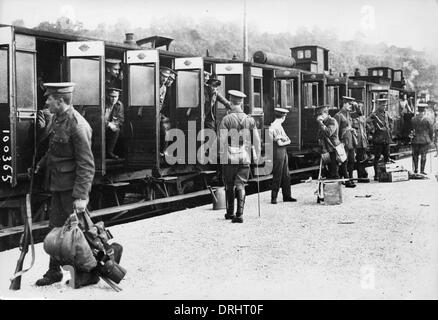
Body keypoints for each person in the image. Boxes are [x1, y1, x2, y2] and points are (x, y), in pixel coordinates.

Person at [34, 82, 96, 287]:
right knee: (56, 230)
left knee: (79, 233)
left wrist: (81, 196)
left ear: (60, 100)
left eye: (49, 98)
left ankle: (89, 270)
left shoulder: (78, 125)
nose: (46, 101)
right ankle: (54, 272)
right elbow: (55, 151)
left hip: (71, 190)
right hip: (58, 186)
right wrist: (41, 164)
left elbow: (86, 164)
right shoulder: (59, 119)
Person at [219, 90, 261, 223]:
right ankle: (240, 214)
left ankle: (230, 213)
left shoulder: (226, 119)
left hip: (229, 157)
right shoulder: (250, 119)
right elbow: (257, 140)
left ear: (230, 102)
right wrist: (257, 156)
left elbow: (222, 140)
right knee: (241, 184)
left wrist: (221, 156)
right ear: (241, 103)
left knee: (229, 184)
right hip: (245, 156)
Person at [269, 108, 297, 204]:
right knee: (278, 174)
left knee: (286, 174)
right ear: (283, 117)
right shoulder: (275, 127)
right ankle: (274, 197)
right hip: (278, 152)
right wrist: (283, 139)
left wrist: (283, 138)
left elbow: (288, 140)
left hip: (282, 151)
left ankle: (287, 196)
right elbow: (282, 143)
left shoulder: (278, 126)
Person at [367, 98, 393, 181]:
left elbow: (390, 121)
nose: (384, 107)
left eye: (385, 105)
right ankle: (376, 175)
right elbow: (367, 121)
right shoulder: (374, 114)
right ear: (378, 105)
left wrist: (390, 128)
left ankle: (384, 174)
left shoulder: (386, 113)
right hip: (378, 139)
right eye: (382, 105)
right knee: (377, 157)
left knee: (387, 156)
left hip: (386, 138)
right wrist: (372, 129)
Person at [333, 96, 357, 188]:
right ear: (344, 104)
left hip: (350, 140)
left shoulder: (348, 114)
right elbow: (335, 130)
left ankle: (349, 178)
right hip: (343, 141)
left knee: (351, 160)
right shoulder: (338, 115)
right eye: (349, 104)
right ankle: (347, 181)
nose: (351, 106)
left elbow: (359, 114)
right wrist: (338, 142)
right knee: (344, 161)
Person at [316, 105, 341, 179]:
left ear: (325, 113)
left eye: (320, 115)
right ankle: (330, 187)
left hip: (333, 147)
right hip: (326, 148)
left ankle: (336, 187)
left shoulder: (332, 121)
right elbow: (319, 135)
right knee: (328, 170)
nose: (318, 117)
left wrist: (320, 123)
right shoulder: (324, 122)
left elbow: (329, 132)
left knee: (334, 170)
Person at [410, 103, 433, 174]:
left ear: (418, 110)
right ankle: (422, 170)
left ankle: (416, 169)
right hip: (425, 140)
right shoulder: (428, 119)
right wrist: (430, 139)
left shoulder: (413, 119)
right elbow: (431, 130)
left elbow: (411, 129)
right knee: (423, 155)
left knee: (415, 155)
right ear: (424, 110)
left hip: (415, 139)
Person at [351, 100, 370, 182]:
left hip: (363, 141)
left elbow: (365, 129)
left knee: (363, 159)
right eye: (358, 108)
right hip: (356, 141)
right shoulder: (351, 118)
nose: (360, 110)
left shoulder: (363, 118)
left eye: (361, 108)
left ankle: (362, 175)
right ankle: (359, 176)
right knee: (357, 160)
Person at [105, 88, 124, 159]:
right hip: (101, 126)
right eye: (111, 96)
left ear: (118, 97)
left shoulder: (119, 105)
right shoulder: (103, 104)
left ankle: (110, 152)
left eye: (115, 97)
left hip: (112, 126)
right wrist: (108, 124)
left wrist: (115, 124)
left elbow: (121, 119)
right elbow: (99, 118)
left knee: (117, 130)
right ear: (107, 96)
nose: (113, 99)